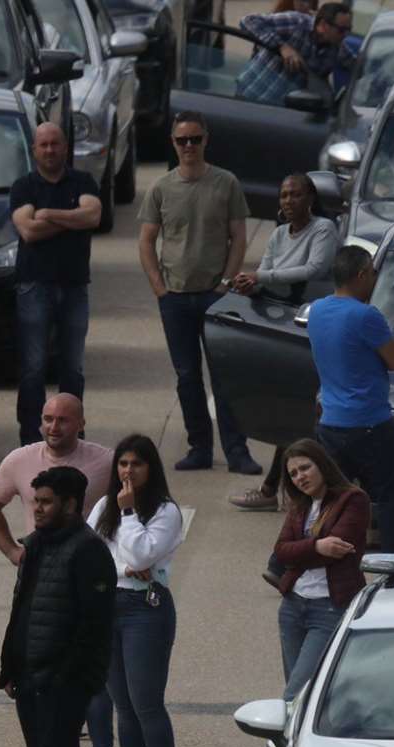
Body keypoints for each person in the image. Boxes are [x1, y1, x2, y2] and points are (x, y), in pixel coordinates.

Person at [0, 393, 117, 747]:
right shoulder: (20, 460)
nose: (54, 427)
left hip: (85, 575)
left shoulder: (105, 462)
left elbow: (141, 498)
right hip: (36, 575)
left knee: (84, 669)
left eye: (63, 420)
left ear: (81, 424)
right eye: (47, 419)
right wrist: (11, 550)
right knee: (25, 670)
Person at [236, 440, 369, 747]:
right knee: (301, 702)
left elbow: (342, 547)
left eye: (305, 468)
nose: (300, 477)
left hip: (329, 609)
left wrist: (308, 547)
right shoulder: (299, 506)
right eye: (293, 473)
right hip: (293, 609)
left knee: (291, 699)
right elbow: (281, 551)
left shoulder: (352, 500)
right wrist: (317, 546)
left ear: (322, 464)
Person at [0, 467, 117, 747]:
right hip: (32, 676)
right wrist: (11, 665)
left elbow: (93, 626)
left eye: (47, 502)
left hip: (62, 680)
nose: (39, 509)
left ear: (70, 504)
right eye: (36, 502)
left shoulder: (88, 552)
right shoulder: (37, 546)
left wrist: (67, 677)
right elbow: (23, 612)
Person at [138, 111, 262, 475]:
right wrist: (159, 288)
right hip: (175, 298)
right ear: (173, 144)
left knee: (224, 376)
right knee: (187, 376)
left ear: (206, 140)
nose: (189, 146)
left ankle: (237, 451)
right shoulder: (162, 188)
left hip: (216, 296)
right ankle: (199, 448)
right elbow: (146, 241)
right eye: (182, 140)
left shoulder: (226, 183)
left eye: (195, 139)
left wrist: (225, 282)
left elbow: (239, 236)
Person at [88, 435, 187, 747]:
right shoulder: (103, 506)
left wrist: (129, 515)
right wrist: (124, 565)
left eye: (137, 464)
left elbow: (142, 553)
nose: (128, 471)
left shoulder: (164, 511)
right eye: (123, 463)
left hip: (146, 607)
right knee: (122, 703)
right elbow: (96, 554)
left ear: (151, 468)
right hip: (108, 604)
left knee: (146, 701)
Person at [229, 173, 340, 512]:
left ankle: (288, 490)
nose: (288, 201)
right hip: (281, 325)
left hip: (314, 327)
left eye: (295, 194)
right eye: (283, 196)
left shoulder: (323, 229)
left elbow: (314, 269)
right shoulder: (278, 234)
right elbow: (267, 270)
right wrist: (251, 284)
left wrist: (262, 277)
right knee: (291, 409)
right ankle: (282, 490)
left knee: (308, 411)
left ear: (310, 197)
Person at [307, 244, 394, 553]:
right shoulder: (367, 316)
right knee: (392, 494)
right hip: (370, 425)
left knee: (329, 497)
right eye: (374, 274)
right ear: (362, 274)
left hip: (329, 423)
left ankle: (291, 560)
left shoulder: (318, 310)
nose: (375, 280)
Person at [9, 124, 105, 446]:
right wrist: (71, 219)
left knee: (72, 369)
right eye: (43, 145)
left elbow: (93, 217)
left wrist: (48, 213)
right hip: (34, 287)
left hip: (75, 286)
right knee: (33, 369)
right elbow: (29, 232)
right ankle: (30, 441)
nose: (50, 150)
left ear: (66, 147)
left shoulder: (83, 181)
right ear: (34, 150)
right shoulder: (23, 187)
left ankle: (72, 435)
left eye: (55, 144)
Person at [236, 2, 355, 105]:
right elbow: (248, 20)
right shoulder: (296, 22)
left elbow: (358, 66)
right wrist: (282, 46)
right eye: (341, 30)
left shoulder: (338, 49)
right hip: (248, 96)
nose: (345, 35)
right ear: (323, 25)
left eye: (348, 30)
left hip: (280, 113)